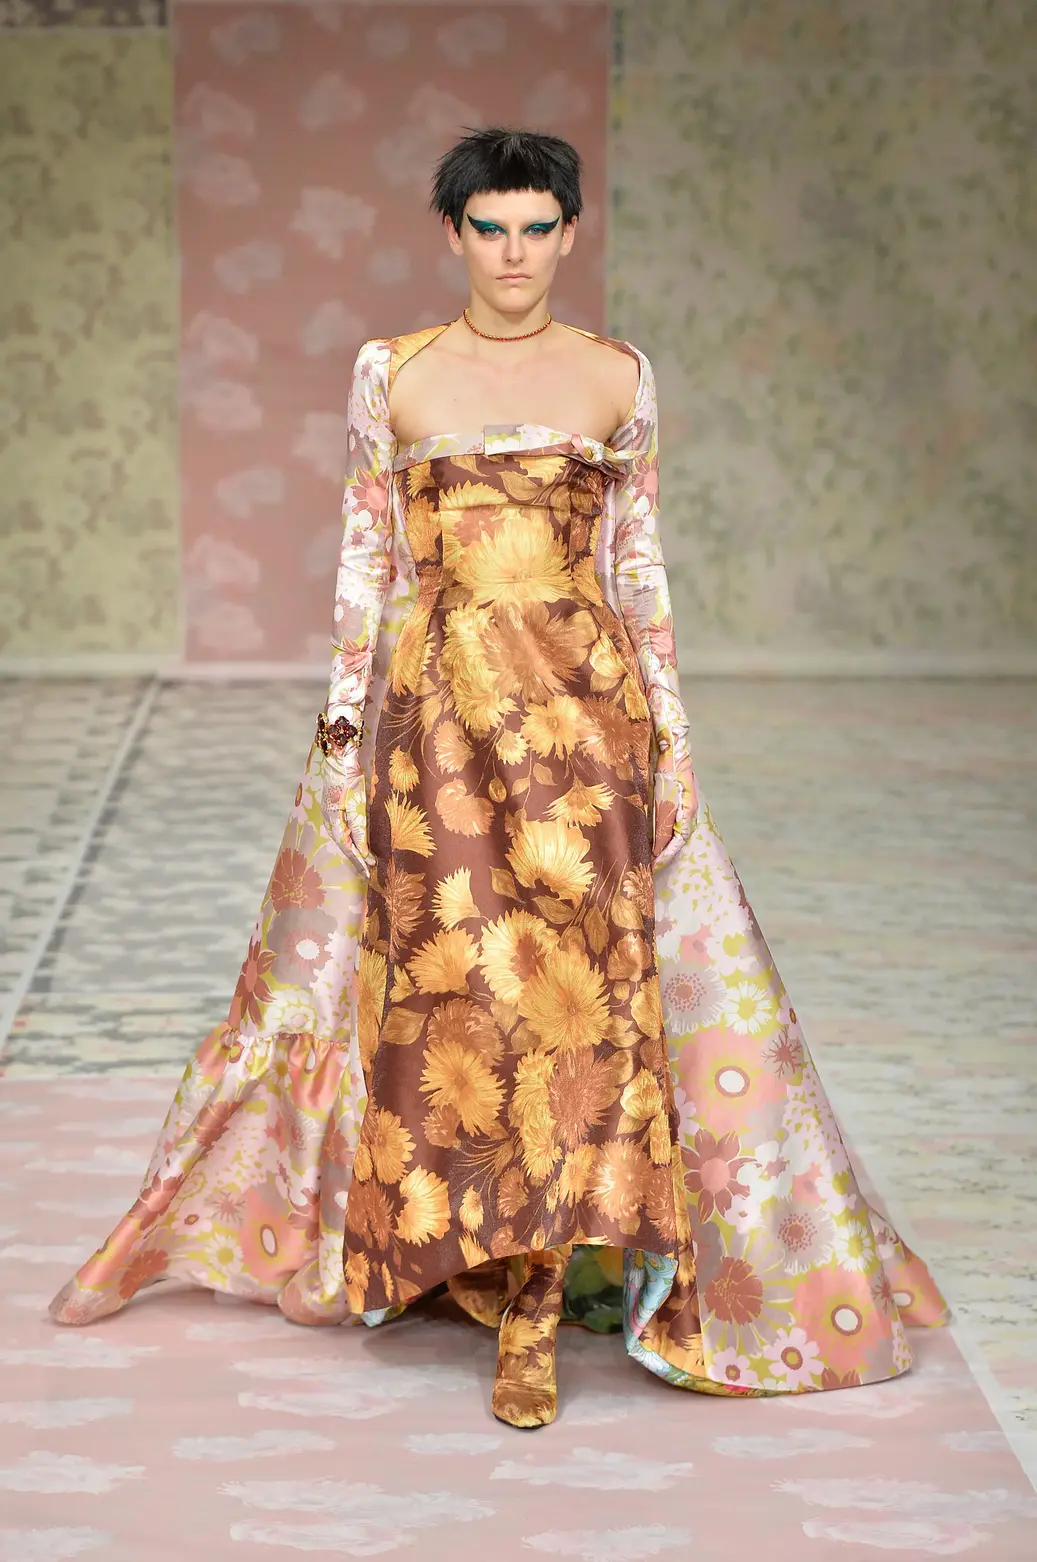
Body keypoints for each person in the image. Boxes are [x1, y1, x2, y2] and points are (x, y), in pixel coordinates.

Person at [49, 127, 947, 1429]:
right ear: (454, 233)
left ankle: (533, 1301)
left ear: (570, 233)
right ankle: (457, 1253)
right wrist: (344, 739)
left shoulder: (617, 375)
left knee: (577, 1008)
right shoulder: (395, 371)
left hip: (588, 728)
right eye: (491, 228)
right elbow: (368, 563)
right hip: (439, 728)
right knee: (456, 995)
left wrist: (674, 748)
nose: (515, 253)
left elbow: (638, 572)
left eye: (537, 228)